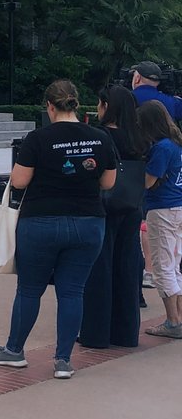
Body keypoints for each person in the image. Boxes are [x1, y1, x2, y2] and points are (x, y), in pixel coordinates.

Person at [0, 79, 117, 379]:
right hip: (88, 222)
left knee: (29, 290)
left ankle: (15, 351)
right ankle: (63, 361)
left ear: (50, 106)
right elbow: (108, 183)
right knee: (73, 292)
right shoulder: (100, 138)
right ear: (77, 105)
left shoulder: (38, 138)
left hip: (40, 221)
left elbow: (19, 181)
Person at [80, 85, 144, 348]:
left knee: (100, 269)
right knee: (127, 268)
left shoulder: (100, 136)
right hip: (132, 205)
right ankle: (126, 332)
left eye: (99, 103)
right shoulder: (139, 137)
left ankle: (96, 333)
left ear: (107, 106)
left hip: (104, 206)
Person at [134, 100, 182, 337]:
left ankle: (173, 321)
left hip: (162, 209)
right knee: (174, 265)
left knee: (163, 267)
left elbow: (148, 181)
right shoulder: (176, 144)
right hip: (178, 206)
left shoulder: (161, 148)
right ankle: (178, 318)